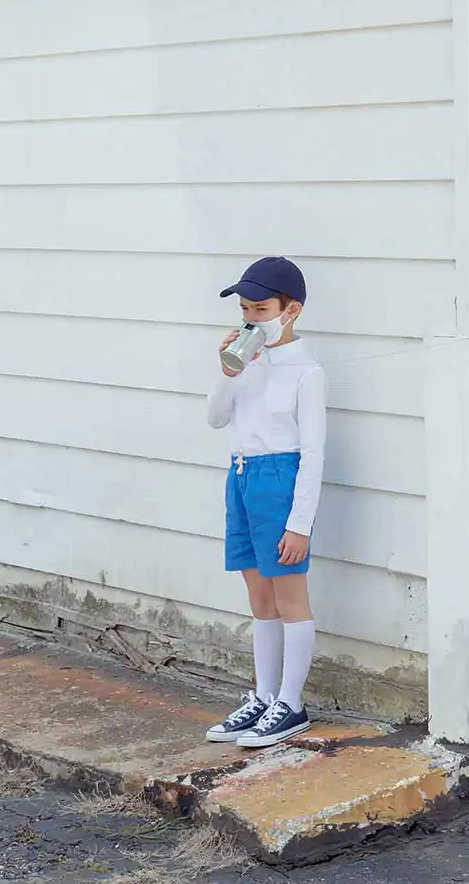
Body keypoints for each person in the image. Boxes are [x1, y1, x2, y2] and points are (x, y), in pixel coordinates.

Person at [203, 256, 327, 749]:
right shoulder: (248, 364)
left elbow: (313, 453)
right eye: (245, 309)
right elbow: (215, 418)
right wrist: (228, 372)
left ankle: (291, 704)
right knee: (259, 597)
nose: (250, 318)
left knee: (289, 596)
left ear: (290, 310)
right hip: (241, 475)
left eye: (261, 309)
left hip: (280, 479)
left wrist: (300, 523)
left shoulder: (306, 372)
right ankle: (264, 695)